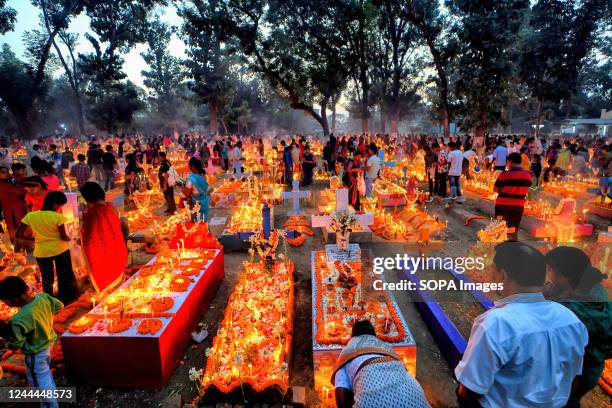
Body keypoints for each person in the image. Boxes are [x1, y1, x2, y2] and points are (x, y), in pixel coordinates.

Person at [455, 242, 588, 408]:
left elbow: (469, 390)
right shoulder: (572, 320)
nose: (489, 274)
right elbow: (573, 379)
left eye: (492, 269)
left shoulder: (495, 324)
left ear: (503, 276)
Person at [544, 246, 611, 408]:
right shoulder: (592, 287)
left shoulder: (570, 310)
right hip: (592, 367)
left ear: (566, 277)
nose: (548, 274)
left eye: (551, 270)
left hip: (578, 371)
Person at [332, 320, 430, 408]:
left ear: (352, 336)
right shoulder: (386, 348)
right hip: (415, 395)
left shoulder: (348, 352)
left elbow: (342, 402)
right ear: (374, 335)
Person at [0, 276, 63, 408]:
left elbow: (17, 343)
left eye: (5, 301)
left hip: (36, 353)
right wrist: (44, 317)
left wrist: (6, 345)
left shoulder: (17, 320)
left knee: (38, 380)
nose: (6, 304)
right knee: (43, 374)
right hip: (49, 344)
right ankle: (51, 395)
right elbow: (59, 306)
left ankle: (50, 404)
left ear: (12, 300)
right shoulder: (43, 298)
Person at [15, 191, 78, 305]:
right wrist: (71, 237)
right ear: (55, 205)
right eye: (60, 206)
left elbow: (18, 235)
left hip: (42, 252)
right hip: (60, 250)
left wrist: (34, 240)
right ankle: (68, 299)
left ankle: (49, 303)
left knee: (47, 279)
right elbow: (63, 237)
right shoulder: (58, 217)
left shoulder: (31, 216)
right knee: (65, 274)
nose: (60, 209)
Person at [79, 182, 128, 293]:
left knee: (107, 285)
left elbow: (88, 237)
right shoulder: (110, 207)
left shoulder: (92, 214)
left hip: (102, 254)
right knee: (117, 279)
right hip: (116, 248)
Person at [492, 153, 532, 240]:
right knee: (513, 229)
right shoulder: (527, 175)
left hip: (502, 206)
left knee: (499, 228)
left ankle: (497, 247)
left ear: (510, 161)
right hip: (518, 207)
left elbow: (495, 189)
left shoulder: (504, 174)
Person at [0, 165, 27, 243]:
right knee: (17, 227)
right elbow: (20, 191)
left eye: (7, 171)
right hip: (12, 210)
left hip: (16, 208)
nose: (6, 174)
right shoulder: (2, 184)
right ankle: (21, 245)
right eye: (3, 172)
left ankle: (22, 244)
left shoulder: (8, 181)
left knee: (20, 226)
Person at [184, 157, 211, 222]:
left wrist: (182, 187)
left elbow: (187, 194)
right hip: (205, 202)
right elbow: (208, 189)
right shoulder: (204, 175)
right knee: (205, 223)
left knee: (197, 225)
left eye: (189, 166)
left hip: (196, 205)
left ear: (192, 167)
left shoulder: (191, 179)